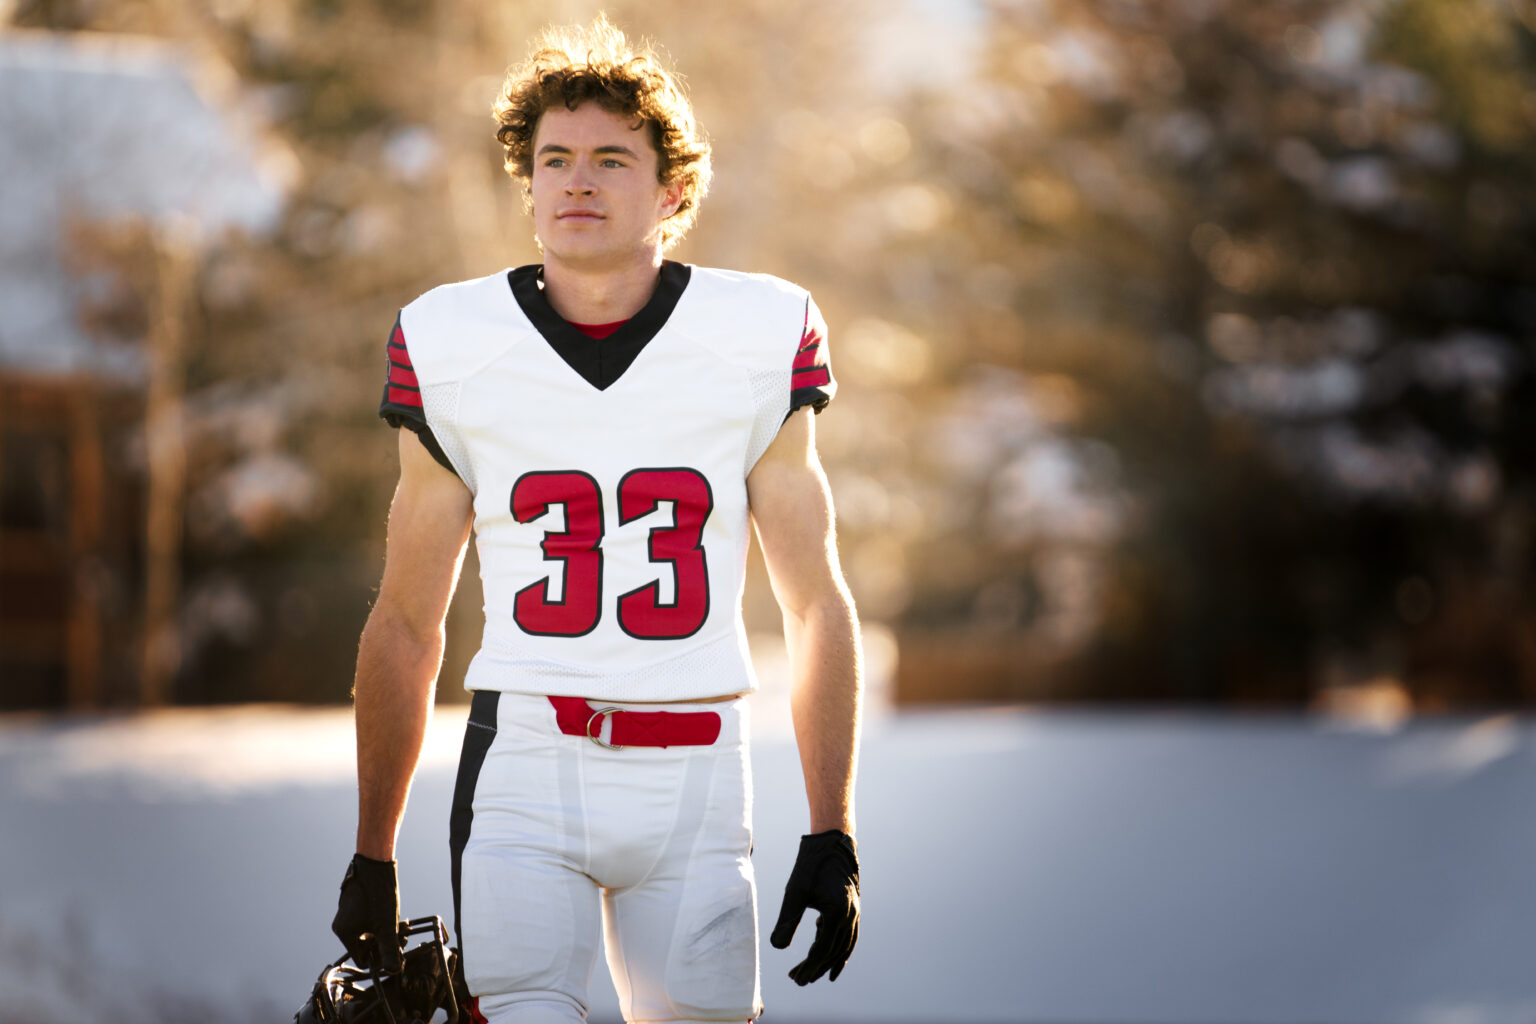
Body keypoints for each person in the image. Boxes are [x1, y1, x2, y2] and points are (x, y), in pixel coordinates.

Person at [327, 15, 864, 1024]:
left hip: (701, 773)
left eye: (612, 158)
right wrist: (372, 849)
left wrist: (831, 827)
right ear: (526, 183)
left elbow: (815, 602)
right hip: (529, 762)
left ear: (671, 188)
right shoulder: (454, 341)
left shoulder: (755, 333)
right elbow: (407, 618)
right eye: (554, 158)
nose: (577, 180)